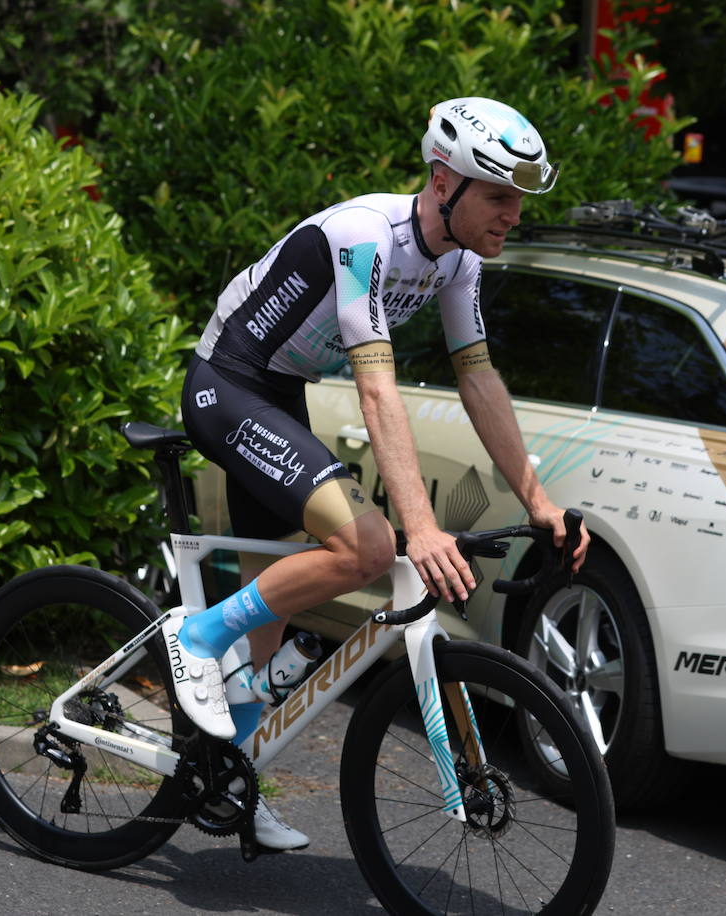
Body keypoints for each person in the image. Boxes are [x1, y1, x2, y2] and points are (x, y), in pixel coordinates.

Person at [168, 97, 590, 851]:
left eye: (519, 199)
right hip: (226, 383)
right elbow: (375, 385)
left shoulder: (459, 262)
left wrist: (539, 499)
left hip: (278, 393)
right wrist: (419, 527)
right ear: (442, 181)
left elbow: (480, 380)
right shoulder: (365, 235)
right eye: (499, 196)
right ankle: (197, 639)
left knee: (271, 632)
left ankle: (229, 772)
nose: (514, 215)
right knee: (368, 547)